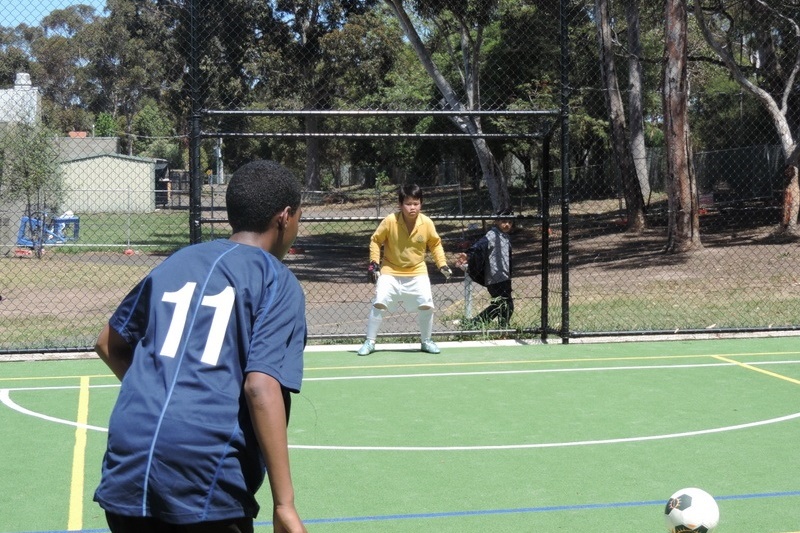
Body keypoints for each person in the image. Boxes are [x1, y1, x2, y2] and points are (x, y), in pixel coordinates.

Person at [93, 160, 308, 533]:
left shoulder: (179, 261)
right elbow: (260, 386)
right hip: (203, 472)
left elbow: (107, 343)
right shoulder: (275, 280)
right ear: (285, 217)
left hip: (128, 462)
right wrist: (284, 504)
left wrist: (158, 391)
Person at [357, 183, 452, 356]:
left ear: (421, 204)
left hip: (417, 271)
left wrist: (442, 264)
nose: (412, 207)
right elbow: (375, 240)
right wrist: (373, 263)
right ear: (400, 205)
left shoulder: (427, 223)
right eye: (408, 204)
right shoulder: (390, 221)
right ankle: (370, 341)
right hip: (390, 271)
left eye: (416, 203)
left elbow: (435, 244)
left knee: (427, 304)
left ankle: (426, 341)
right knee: (379, 301)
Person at [455, 210, 514, 328]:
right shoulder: (492, 235)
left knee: (503, 305)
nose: (507, 224)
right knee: (504, 304)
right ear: (496, 221)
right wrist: (468, 254)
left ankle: (500, 328)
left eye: (509, 222)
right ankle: (477, 324)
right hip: (495, 277)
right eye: (503, 221)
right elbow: (480, 245)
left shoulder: (505, 236)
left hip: (504, 276)